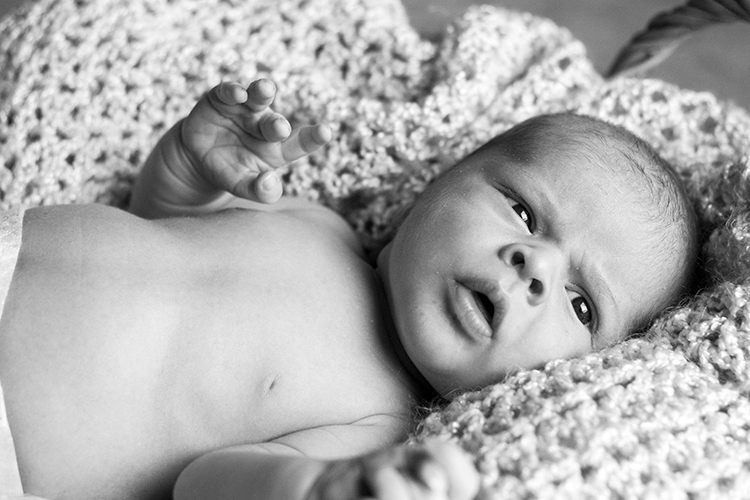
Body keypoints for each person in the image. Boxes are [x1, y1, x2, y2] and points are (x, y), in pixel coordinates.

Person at [0, 78, 699, 500]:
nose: (536, 265)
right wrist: (188, 171)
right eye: (523, 211)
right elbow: (162, 226)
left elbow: (205, 484)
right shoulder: (317, 223)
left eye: (582, 305)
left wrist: (318, 488)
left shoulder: (377, 424)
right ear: (440, 180)